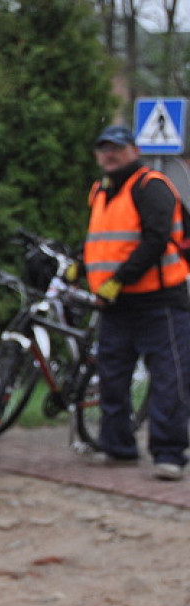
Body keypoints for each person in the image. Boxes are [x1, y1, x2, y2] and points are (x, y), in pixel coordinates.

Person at [81, 124, 190, 480]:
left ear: (134, 150)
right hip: (115, 305)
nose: (109, 154)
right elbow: (101, 243)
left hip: (160, 304)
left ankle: (169, 453)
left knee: (168, 380)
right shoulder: (100, 190)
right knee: (112, 378)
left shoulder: (151, 185)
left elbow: (156, 240)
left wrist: (118, 280)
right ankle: (118, 447)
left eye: (116, 148)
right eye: (103, 149)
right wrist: (77, 269)